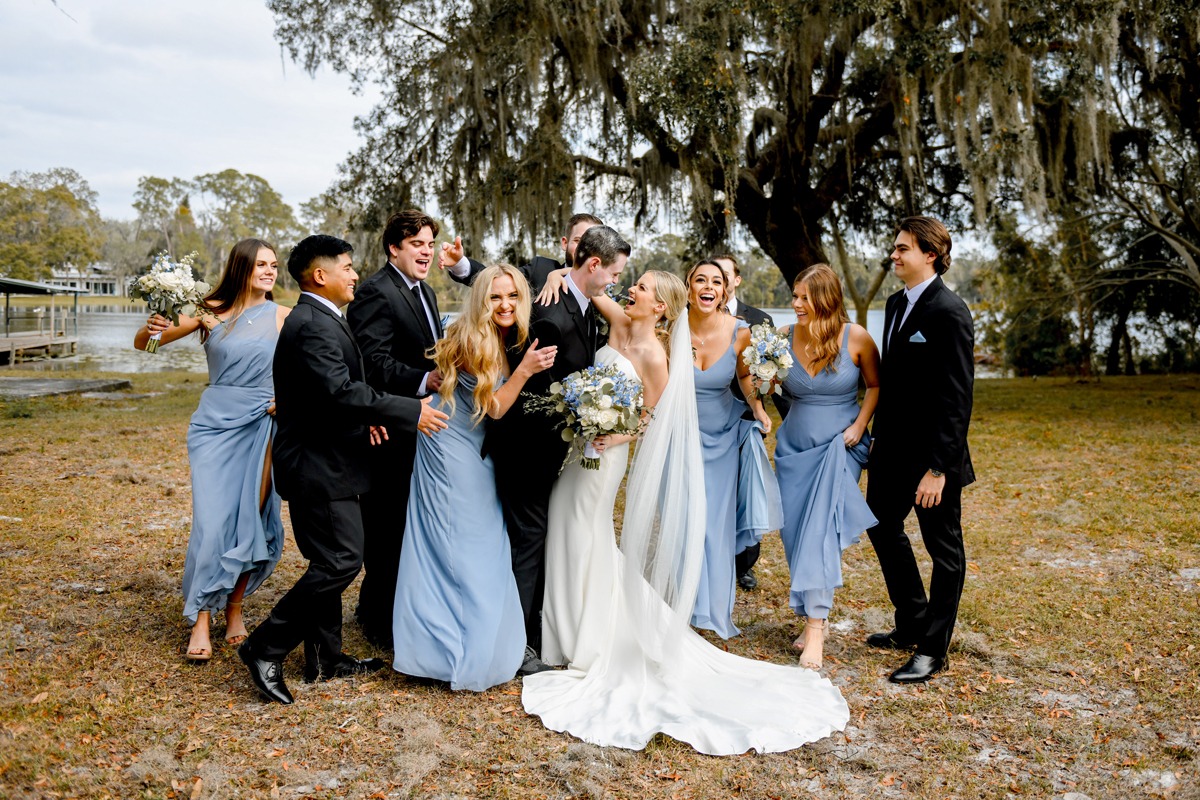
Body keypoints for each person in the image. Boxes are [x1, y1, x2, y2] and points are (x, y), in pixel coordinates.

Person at [522, 272, 849, 754]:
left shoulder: (656, 353)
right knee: (565, 530)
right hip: (580, 449)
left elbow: (650, 414)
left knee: (587, 532)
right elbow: (588, 287)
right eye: (632, 284)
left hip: (605, 453)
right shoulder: (617, 320)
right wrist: (554, 272)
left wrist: (615, 434)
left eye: (642, 288)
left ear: (660, 307)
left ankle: (586, 639)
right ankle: (562, 630)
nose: (631, 289)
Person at [237, 234, 450, 705]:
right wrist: (406, 410)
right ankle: (265, 645)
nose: (355, 274)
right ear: (320, 275)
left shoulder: (323, 317)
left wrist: (369, 417)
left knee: (328, 559)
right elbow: (339, 392)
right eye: (348, 267)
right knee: (342, 559)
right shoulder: (312, 324)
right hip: (318, 463)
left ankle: (326, 658)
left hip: (332, 454)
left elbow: (335, 390)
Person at [391, 265, 557, 690]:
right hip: (448, 445)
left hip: (473, 444)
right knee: (461, 543)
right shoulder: (471, 339)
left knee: (482, 541)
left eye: (512, 297)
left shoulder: (501, 335)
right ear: (481, 300)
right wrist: (525, 372)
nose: (504, 305)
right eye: (495, 298)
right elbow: (496, 409)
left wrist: (557, 276)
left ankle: (471, 638)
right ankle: (447, 649)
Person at [134, 239, 289, 662]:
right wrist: (162, 327)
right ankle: (202, 615)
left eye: (273, 266)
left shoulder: (284, 317)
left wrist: (289, 399)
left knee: (250, 520)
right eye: (261, 265)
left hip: (262, 423)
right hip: (214, 425)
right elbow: (145, 346)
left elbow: (317, 365)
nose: (270, 272)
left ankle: (234, 609)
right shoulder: (208, 310)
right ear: (240, 268)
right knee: (212, 521)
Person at [489, 225, 629, 676]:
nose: (615, 281)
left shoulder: (584, 307)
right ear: (592, 265)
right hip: (528, 452)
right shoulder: (551, 314)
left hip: (555, 453)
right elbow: (534, 394)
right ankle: (517, 644)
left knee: (538, 541)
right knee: (528, 543)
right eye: (613, 272)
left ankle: (532, 631)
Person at [347, 210, 484, 649]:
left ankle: (388, 608)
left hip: (418, 424)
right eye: (417, 244)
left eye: (429, 244)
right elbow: (371, 360)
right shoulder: (374, 291)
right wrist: (424, 380)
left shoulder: (422, 290)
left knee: (406, 519)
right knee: (386, 522)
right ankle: (378, 620)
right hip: (389, 423)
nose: (426, 252)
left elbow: (426, 349)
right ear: (394, 248)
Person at [865, 216, 975, 684]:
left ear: (929, 254)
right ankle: (911, 619)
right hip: (890, 451)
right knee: (880, 526)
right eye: (895, 247)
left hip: (933, 459)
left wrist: (939, 469)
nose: (894, 255)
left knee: (943, 549)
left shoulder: (950, 312)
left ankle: (933, 648)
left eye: (902, 248)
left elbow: (957, 396)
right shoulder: (894, 304)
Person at [773, 264, 880, 670]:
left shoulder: (857, 338)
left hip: (839, 446)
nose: (796, 304)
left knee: (821, 534)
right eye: (795, 296)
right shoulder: (781, 338)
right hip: (794, 447)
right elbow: (760, 380)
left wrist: (859, 424)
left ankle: (817, 627)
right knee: (796, 534)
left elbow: (875, 386)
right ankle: (809, 617)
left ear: (826, 298)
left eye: (804, 297)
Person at [686, 260, 781, 639]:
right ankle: (685, 604)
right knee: (685, 522)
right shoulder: (671, 330)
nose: (709, 287)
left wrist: (758, 407)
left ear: (726, 291)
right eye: (700, 280)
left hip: (723, 437)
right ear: (689, 287)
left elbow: (743, 375)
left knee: (714, 527)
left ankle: (712, 610)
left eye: (717, 282)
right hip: (683, 437)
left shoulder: (741, 332)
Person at [712, 252, 791, 591]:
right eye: (714, 276)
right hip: (709, 417)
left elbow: (770, 372)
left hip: (745, 418)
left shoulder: (758, 319)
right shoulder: (694, 315)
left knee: (748, 493)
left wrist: (782, 415)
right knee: (716, 493)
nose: (721, 282)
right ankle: (711, 558)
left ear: (737, 280)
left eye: (726, 275)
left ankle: (744, 564)